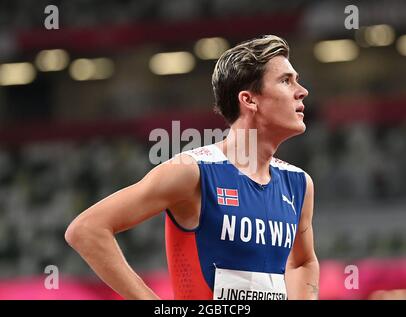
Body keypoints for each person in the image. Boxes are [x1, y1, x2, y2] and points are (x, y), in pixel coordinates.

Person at [65, 34, 319, 300]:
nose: (302, 91)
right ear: (249, 100)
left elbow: (303, 262)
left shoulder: (299, 184)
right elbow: (86, 230)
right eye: (285, 81)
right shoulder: (192, 171)